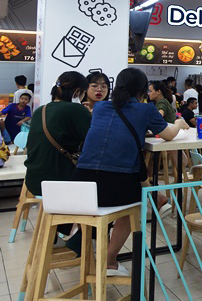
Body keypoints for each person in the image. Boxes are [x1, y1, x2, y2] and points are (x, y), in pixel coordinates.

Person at [73, 67, 189, 275]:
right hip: (117, 182)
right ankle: (109, 260)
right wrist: (179, 123)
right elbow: (169, 134)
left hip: (81, 182)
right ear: (144, 90)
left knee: (129, 187)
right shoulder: (145, 110)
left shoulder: (100, 108)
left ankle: (92, 255)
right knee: (133, 209)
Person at [25, 71, 92, 197]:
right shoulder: (77, 110)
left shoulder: (40, 110)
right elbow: (95, 141)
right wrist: (89, 115)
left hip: (34, 181)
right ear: (77, 92)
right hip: (61, 181)